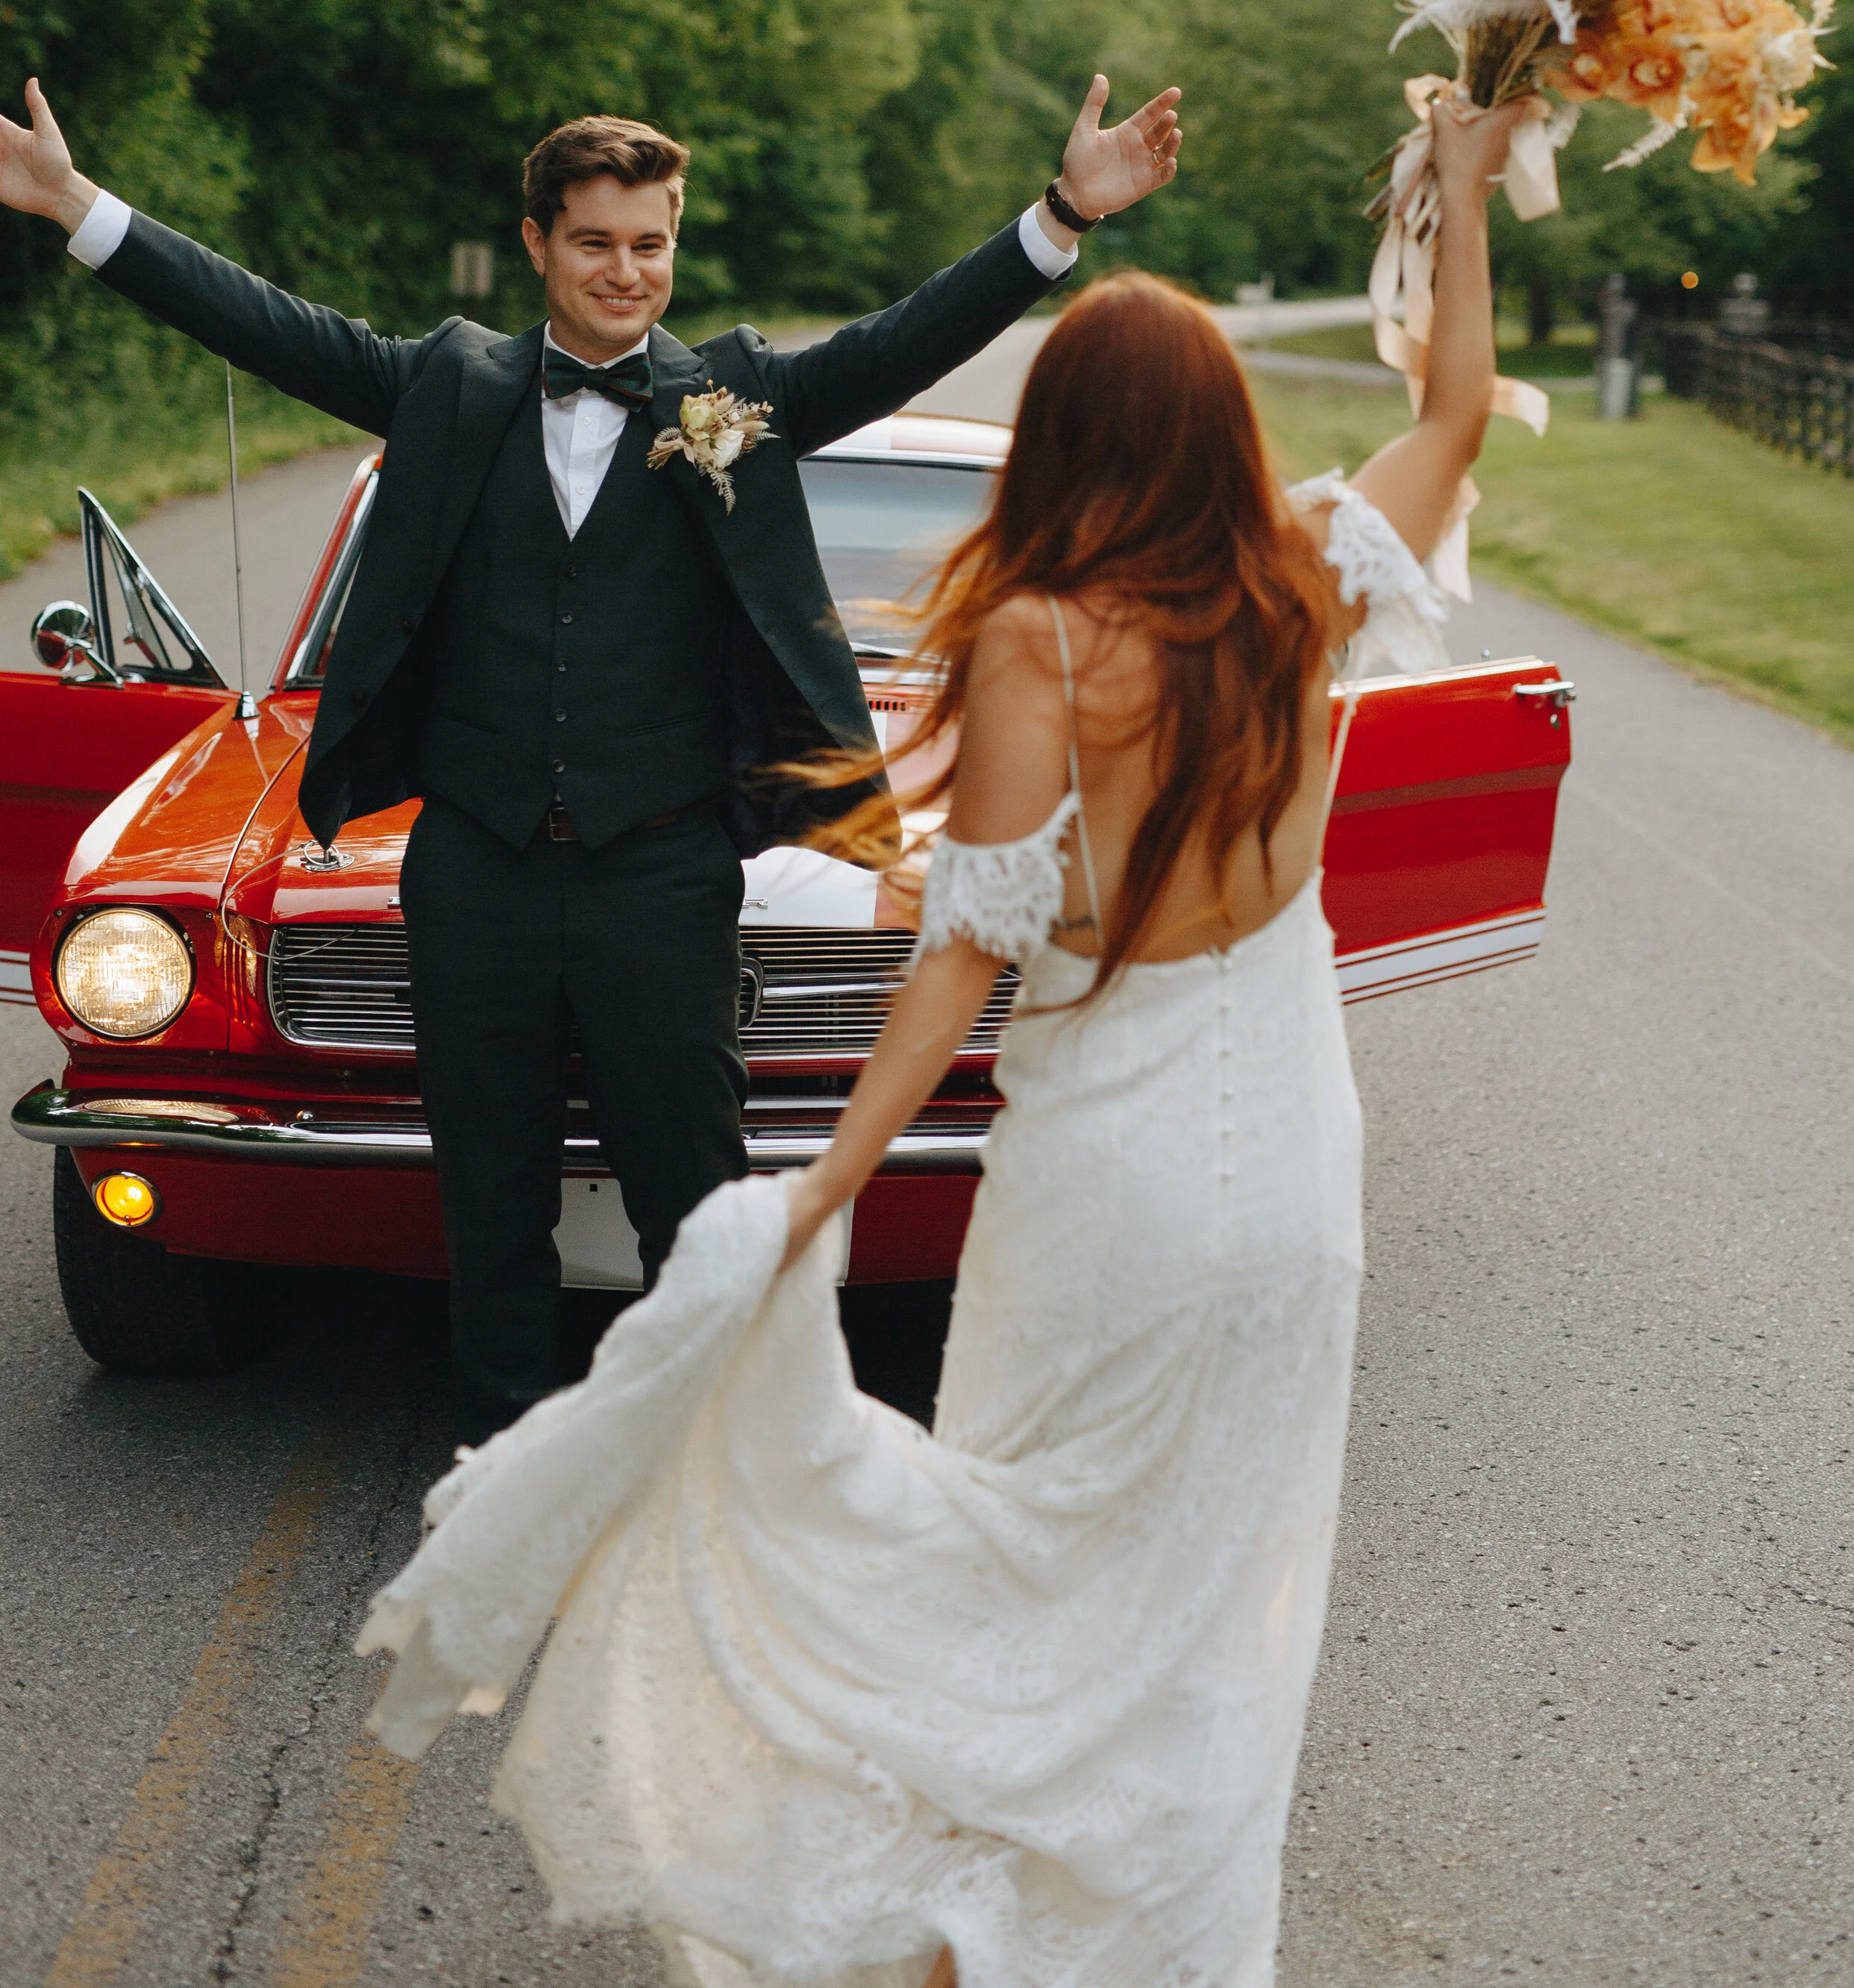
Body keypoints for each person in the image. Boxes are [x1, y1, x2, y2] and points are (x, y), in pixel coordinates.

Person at [357, 92, 1529, 1986]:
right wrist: (1463, 200)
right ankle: (1162, 1930)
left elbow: (961, 961)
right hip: (1296, 1180)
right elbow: (1456, 412)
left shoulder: (1044, 644)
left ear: (1057, 445)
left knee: (1015, 1546)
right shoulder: (1308, 583)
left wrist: (810, 1194)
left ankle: (976, 1919)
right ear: (1230, 434)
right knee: (1215, 1591)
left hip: (1110, 1178)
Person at [0, 72, 1182, 1443]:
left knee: (699, 1196)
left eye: (651, 243)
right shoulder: (448, 385)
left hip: (663, 872)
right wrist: (80, 211)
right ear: (538, 246)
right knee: (489, 1200)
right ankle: (506, 1464)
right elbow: (268, 324)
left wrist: (1060, 215)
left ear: (674, 245)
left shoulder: (728, 400)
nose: (627, 272)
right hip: (472, 872)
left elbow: (897, 345)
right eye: (596, 242)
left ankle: (725, 1467)